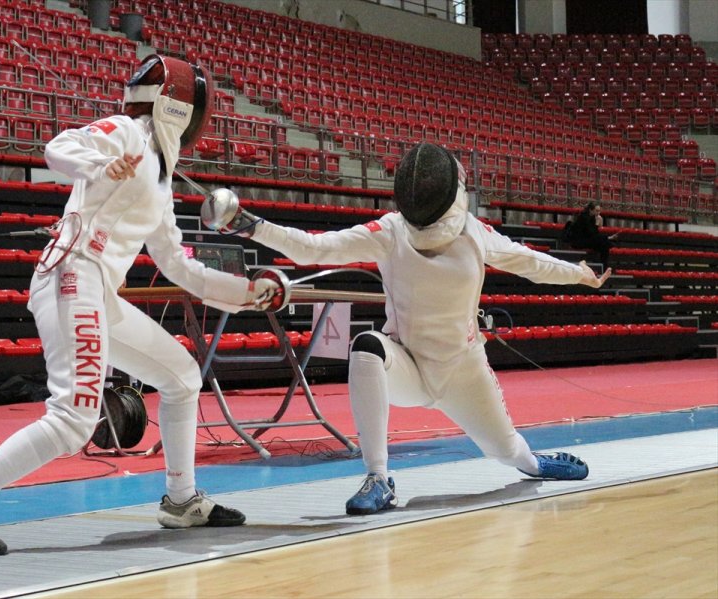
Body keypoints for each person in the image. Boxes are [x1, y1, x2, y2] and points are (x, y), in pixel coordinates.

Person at [0, 55, 280, 555]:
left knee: (180, 377)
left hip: (97, 291)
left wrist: (246, 293)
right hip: (73, 275)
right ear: (180, 108)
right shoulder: (129, 133)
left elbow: (178, 265)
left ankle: (181, 501)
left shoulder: (158, 173)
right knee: (73, 418)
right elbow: (58, 147)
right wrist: (98, 164)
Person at [202, 142, 612, 516]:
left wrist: (580, 274)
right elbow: (314, 247)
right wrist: (247, 223)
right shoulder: (390, 232)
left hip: (463, 373)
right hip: (408, 365)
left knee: (508, 452)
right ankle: (378, 477)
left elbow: (530, 262)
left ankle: (534, 463)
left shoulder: (474, 233)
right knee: (366, 348)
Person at [566, 201, 618, 268]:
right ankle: (608, 241)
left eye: (599, 211)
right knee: (604, 243)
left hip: (588, 240)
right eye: (596, 211)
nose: (598, 213)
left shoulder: (592, 217)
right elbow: (591, 233)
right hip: (579, 241)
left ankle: (604, 266)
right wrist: (597, 223)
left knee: (604, 246)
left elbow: (595, 234)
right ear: (590, 210)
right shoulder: (584, 217)